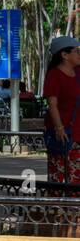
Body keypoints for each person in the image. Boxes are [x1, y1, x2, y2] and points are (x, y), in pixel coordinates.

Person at [42, 35, 80, 188]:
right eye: (76, 51)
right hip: (64, 134)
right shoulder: (54, 75)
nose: (79, 54)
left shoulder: (79, 72)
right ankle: (59, 210)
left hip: (78, 132)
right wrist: (59, 128)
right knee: (60, 174)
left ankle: (74, 210)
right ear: (64, 55)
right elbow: (52, 104)